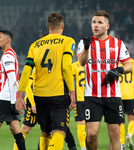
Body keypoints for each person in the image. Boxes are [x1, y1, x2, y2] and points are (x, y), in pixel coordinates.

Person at [15, 12, 76, 150]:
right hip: (58, 94)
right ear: (63, 26)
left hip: (39, 97)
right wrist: (72, 91)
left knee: (45, 133)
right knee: (59, 131)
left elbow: (26, 71)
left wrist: (20, 95)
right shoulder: (68, 41)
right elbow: (66, 67)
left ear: (48, 26)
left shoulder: (35, 45)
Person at [77, 10, 133, 150]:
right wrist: (86, 48)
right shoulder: (85, 42)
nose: (95, 25)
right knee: (91, 135)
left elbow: (129, 65)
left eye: (100, 23)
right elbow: (82, 62)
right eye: (94, 22)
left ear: (107, 26)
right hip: (92, 96)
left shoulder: (118, 43)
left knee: (115, 134)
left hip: (113, 96)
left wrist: (118, 70)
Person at [13, 68, 77, 150]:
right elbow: (28, 86)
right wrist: (33, 104)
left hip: (47, 100)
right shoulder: (36, 66)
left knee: (47, 131)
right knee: (26, 128)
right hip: (32, 100)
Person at [0, 30, 26, 150]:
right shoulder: (11, 54)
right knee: (15, 128)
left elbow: (12, 79)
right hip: (10, 98)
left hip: (5, 99)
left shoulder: (7, 56)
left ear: (7, 40)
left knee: (15, 128)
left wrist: (12, 102)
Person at [119, 56, 134, 150]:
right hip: (131, 95)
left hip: (118, 96)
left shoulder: (116, 63)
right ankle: (129, 134)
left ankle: (122, 145)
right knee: (132, 119)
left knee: (121, 122)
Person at [72, 60, 86, 150]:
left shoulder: (74, 65)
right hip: (91, 98)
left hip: (80, 98)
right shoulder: (92, 63)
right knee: (91, 125)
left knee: (81, 124)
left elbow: (70, 81)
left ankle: (83, 147)